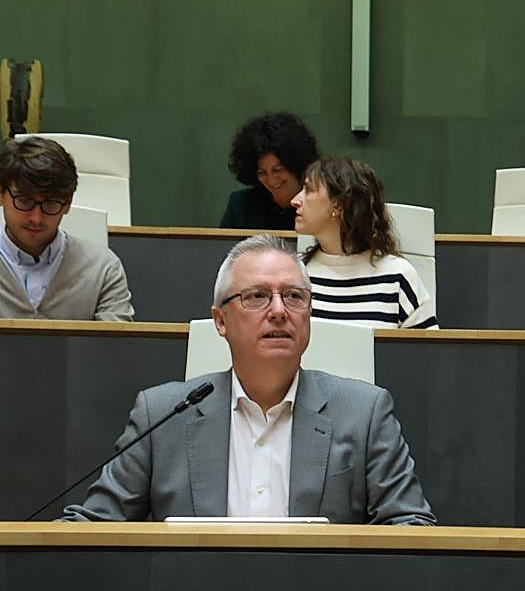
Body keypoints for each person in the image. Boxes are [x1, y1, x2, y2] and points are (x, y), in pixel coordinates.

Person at [61, 234, 436, 524]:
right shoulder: (161, 415)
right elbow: (95, 525)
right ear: (220, 321)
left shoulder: (364, 413)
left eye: (293, 296)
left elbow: (411, 526)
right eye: (256, 296)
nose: (278, 311)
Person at [293, 157, 437, 329]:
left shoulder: (398, 276)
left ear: (339, 205)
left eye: (308, 190)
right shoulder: (293, 274)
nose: (294, 200)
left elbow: (428, 353)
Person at [0, 136, 133, 321]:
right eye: (24, 201)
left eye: (51, 204)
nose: (36, 218)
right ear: (2, 195)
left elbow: (116, 347)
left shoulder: (102, 268)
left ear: (67, 203)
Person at [219, 112, 319, 229]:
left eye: (278, 170)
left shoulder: (318, 204)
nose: (271, 180)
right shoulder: (241, 205)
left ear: (295, 165)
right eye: (262, 172)